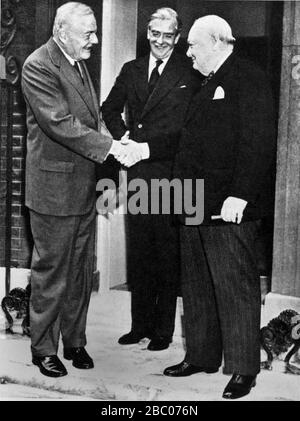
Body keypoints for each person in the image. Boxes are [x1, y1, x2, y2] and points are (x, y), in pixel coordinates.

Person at [21, 1, 139, 378]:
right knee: (52, 273)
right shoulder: (38, 65)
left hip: (83, 187)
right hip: (54, 190)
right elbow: (60, 123)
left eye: (94, 32)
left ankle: (74, 341)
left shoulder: (78, 62)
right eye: (87, 33)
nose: (95, 39)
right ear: (61, 33)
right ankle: (43, 348)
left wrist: (110, 158)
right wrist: (111, 148)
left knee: (80, 271)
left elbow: (90, 119)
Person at [163, 15, 276, 399]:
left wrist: (241, 195)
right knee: (196, 285)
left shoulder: (248, 76)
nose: (189, 53)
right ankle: (201, 355)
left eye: (193, 46)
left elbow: (257, 139)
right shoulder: (203, 83)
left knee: (235, 286)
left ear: (216, 42)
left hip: (228, 205)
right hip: (193, 202)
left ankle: (244, 369)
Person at [102, 8, 198, 351]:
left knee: (167, 254)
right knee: (140, 252)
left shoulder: (190, 71)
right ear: (148, 33)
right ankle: (138, 325)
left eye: (167, 35)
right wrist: (123, 136)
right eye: (155, 33)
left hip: (173, 174)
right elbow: (108, 108)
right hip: (140, 175)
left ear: (178, 36)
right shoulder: (132, 69)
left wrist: (147, 148)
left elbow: (189, 130)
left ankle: (162, 331)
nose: (160, 41)